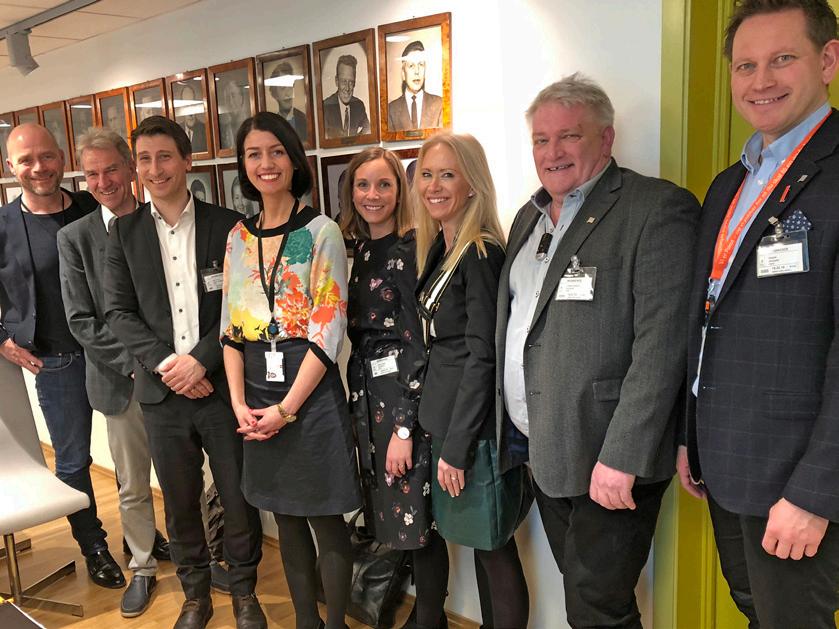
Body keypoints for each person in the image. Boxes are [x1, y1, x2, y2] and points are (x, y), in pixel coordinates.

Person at [496, 74, 699, 629]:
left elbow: (662, 346)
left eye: (569, 136)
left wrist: (624, 456)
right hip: (545, 448)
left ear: (605, 138)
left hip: (608, 453)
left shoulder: (655, 208)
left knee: (596, 607)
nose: (552, 152)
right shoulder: (528, 218)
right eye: (541, 140)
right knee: (589, 599)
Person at [678, 1, 839, 627]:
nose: (760, 80)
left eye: (782, 59)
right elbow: (709, 317)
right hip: (727, 462)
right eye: (745, 65)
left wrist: (816, 491)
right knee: (754, 612)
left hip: (797, 479)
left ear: (827, 60)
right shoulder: (730, 185)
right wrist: (690, 436)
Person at [104, 115, 265, 629]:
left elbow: (242, 304)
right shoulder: (123, 233)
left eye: (165, 157)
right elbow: (118, 312)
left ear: (187, 160)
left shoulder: (229, 226)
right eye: (144, 159)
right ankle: (196, 596)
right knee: (179, 503)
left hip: (220, 387)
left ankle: (244, 592)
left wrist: (201, 361)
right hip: (162, 395)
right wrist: (171, 365)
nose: (155, 169)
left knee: (237, 496)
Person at [221, 111, 360, 629]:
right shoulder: (238, 238)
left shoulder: (321, 232)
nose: (266, 163)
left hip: (309, 392)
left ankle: (335, 623)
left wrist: (285, 410)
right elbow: (230, 331)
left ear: (294, 160)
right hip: (256, 391)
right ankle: (306, 621)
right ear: (244, 165)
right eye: (254, 154)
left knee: (325, 518)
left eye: (276, 151)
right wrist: (239, 403)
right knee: (285, 517)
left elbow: (328, 333)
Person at [0, 123, 124, 590]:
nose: (39, 167)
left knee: (133, 454)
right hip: (55, 362)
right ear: (10, 167)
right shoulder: (2, 226)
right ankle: (94, 547)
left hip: (113, 353)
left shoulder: (94, 207)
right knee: (73, 462)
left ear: (62, 157)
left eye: (47, 156)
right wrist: (2, 338)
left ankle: (142, 536)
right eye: (26, 160)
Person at [415, 132, 529, 629]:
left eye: (448, 174)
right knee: (485, 545)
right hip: (448, 421)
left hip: (473, 431)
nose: (434, 186)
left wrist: (457, 448)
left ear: (472, 184)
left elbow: (483, 356)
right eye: (426, 174)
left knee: (494, 547)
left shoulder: (480, 253)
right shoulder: (443, 248)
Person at [56, 127, 171, 617]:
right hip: (122, 382)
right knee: (132, 485)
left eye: (111, 170)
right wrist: (139, 365)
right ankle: (142, 566)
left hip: (177, 378)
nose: (103, 181)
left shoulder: (163, 221)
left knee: (183, 478)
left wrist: (171, 364)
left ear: (130, 169)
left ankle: (197, 561)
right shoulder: (75, 238)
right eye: (92, 174)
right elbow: (82, 320)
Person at [340, 148, 448, 629]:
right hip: (369, 401)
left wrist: (404, 428)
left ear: (400, 191)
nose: (372, 195)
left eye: (384, 184)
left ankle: (429, 620)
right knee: (397, 518)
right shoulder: (363, 250)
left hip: (402, 403)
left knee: (418, 523)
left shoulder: (410, 249)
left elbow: (418, 343)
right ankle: (429, 618)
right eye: (363, 185)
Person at [387, 41, 443, 131]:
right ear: (403, 74)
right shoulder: (391, 110)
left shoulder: (439, 104)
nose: (417, 71)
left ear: (425, 71)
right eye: (411, 65)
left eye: (421, 65)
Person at [322, 54, 370, 138]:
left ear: (354, 83)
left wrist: (357, 140)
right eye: (344, 81)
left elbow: (368, 129)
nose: (347, 88)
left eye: (351, 82)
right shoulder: (325, 107)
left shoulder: (359, 106)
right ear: (336, 81)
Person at [268, 61, 308, 143]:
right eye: (283, 88)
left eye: (290, 87)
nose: (288, 93)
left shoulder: (304, 119)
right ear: (275, 94)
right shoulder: (270, 124)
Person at [175, 83, 207, 154]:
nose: (190, 113)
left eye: (192, 105)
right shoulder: (176, 131)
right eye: (186, 106)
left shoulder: (205, 130)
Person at [220, 78, 250, 150]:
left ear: (241, 98)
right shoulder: (223, 130)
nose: (230, 101)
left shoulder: (251, 126)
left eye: (233, 96)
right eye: (227, 98)